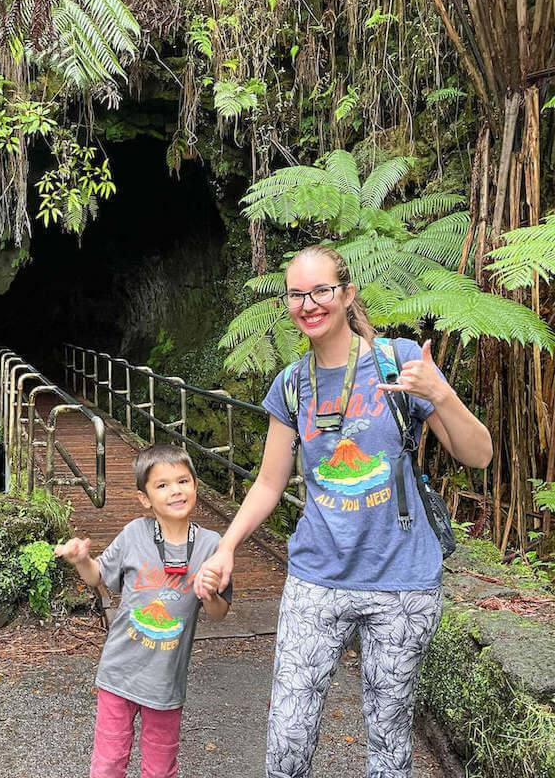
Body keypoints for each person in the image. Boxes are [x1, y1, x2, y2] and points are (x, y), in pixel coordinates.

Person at [194, 244, 492, 778]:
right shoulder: (291, 384)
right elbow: (268, 481)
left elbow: (479, 454)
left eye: (321, 291)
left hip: (401, 579)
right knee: (287, 738)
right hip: (317, 575)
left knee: (388, 742)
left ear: (347, 294)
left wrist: (440, 393)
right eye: (296, 295)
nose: (308, 304)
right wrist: (228, 545)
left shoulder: (398, 361)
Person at [55, 443, 232, 778]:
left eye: (183, 481)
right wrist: (81, 560)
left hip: (166, 682)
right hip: (118, 672)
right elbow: (99, 577)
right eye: (162, 485)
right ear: (145, 498)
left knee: (160, 768)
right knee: (108, 763)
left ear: (196, 485)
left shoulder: (212, 545)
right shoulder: (135, 534)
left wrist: (209, 593)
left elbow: (220, 613)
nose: (175, 491)